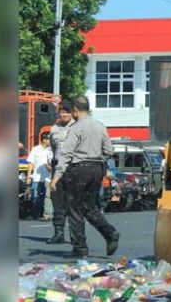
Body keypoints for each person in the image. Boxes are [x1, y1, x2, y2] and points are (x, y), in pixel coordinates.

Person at [51, 96, 119, 258]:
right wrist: (98, 161)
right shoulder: (99, 126)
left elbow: (66, 153)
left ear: (75, 109)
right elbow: (109, 150)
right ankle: (110, 233)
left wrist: (56, 176)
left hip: (78, 170)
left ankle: (80, 248)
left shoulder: (76, 128)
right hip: (97, 169)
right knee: (90, 207)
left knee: (74, 209)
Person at [46, 100, 75, 244]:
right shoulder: (54, 129)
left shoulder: (77, 127)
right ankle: (58, 233)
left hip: (72, 168)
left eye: (66, 112)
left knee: (73, 202)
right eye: (61, 112)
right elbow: (53, 147)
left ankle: (76, 236)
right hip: (57, 166)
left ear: (72, 113)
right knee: (57, 201)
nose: (64, 114)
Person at [25, 132, 52, 220]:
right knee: (36, 197)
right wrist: (29, 176)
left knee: (47, 198)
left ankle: (46, 214)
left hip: (48, 178)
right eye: (48, 139)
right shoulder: (36, 149)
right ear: (44, 140)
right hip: (37, 178)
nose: (50, 141)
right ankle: (35, 215)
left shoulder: (52, 150)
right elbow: (31, 163)